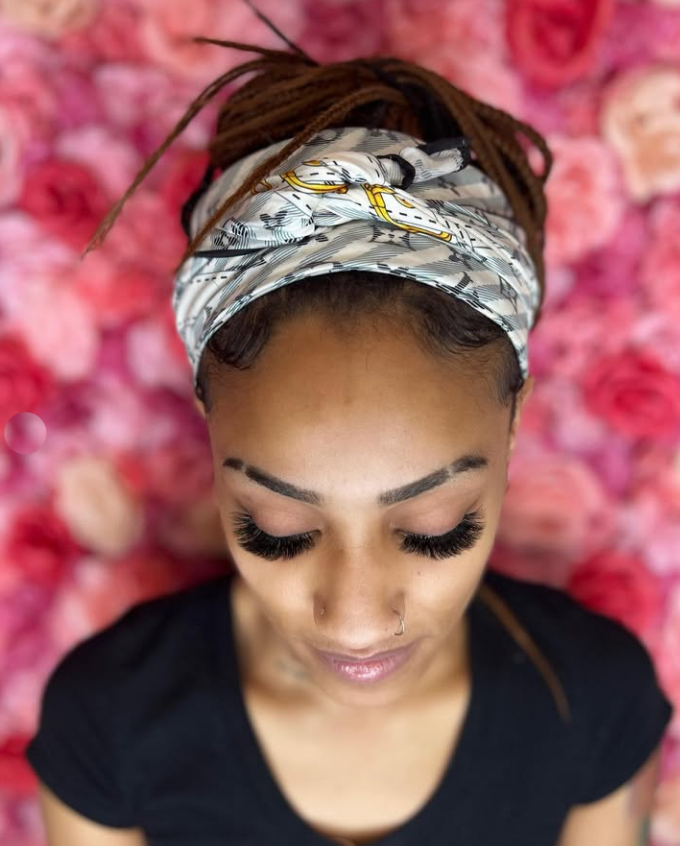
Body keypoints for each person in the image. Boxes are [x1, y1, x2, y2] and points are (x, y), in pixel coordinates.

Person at [25, 27, 673, 846]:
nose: (358, 622)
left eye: (438, 530)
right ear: (211, 433)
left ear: (513, 426)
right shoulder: (110, 721)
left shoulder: (594, 704)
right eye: (279, 530)